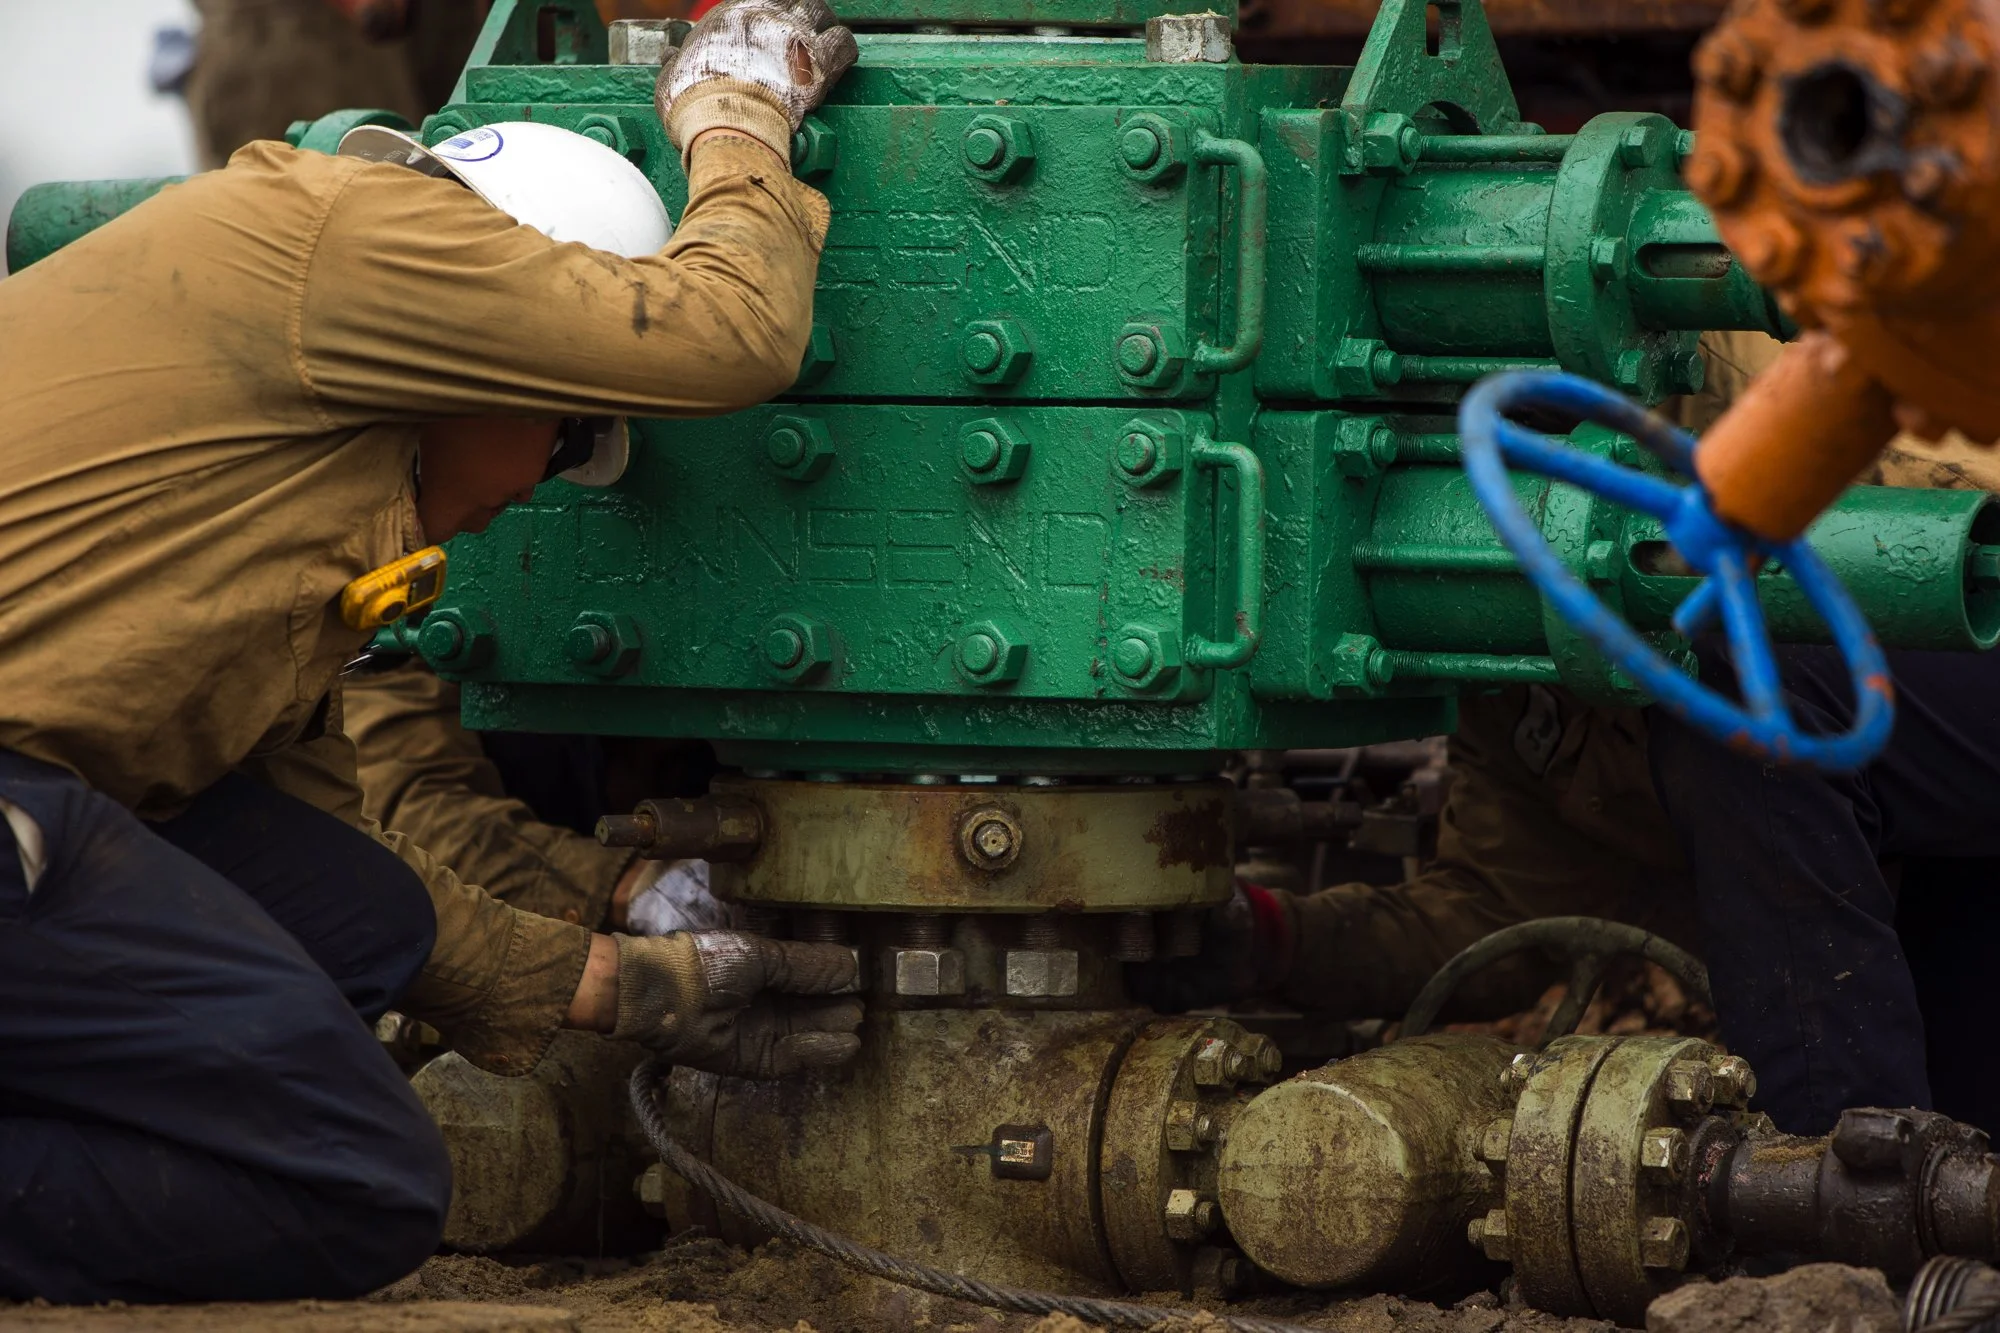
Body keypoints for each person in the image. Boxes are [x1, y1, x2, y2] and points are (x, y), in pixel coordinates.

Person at [0, 0, 860, 1305]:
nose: (549, 485)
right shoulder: (361, 235)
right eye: (574, 440)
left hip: (46, 795)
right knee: (355, 1177)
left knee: (370, 914)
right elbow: (727, 332)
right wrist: (736, 115)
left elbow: (339, 870)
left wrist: (620, 984)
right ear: (503, 347)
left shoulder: (306, 495)